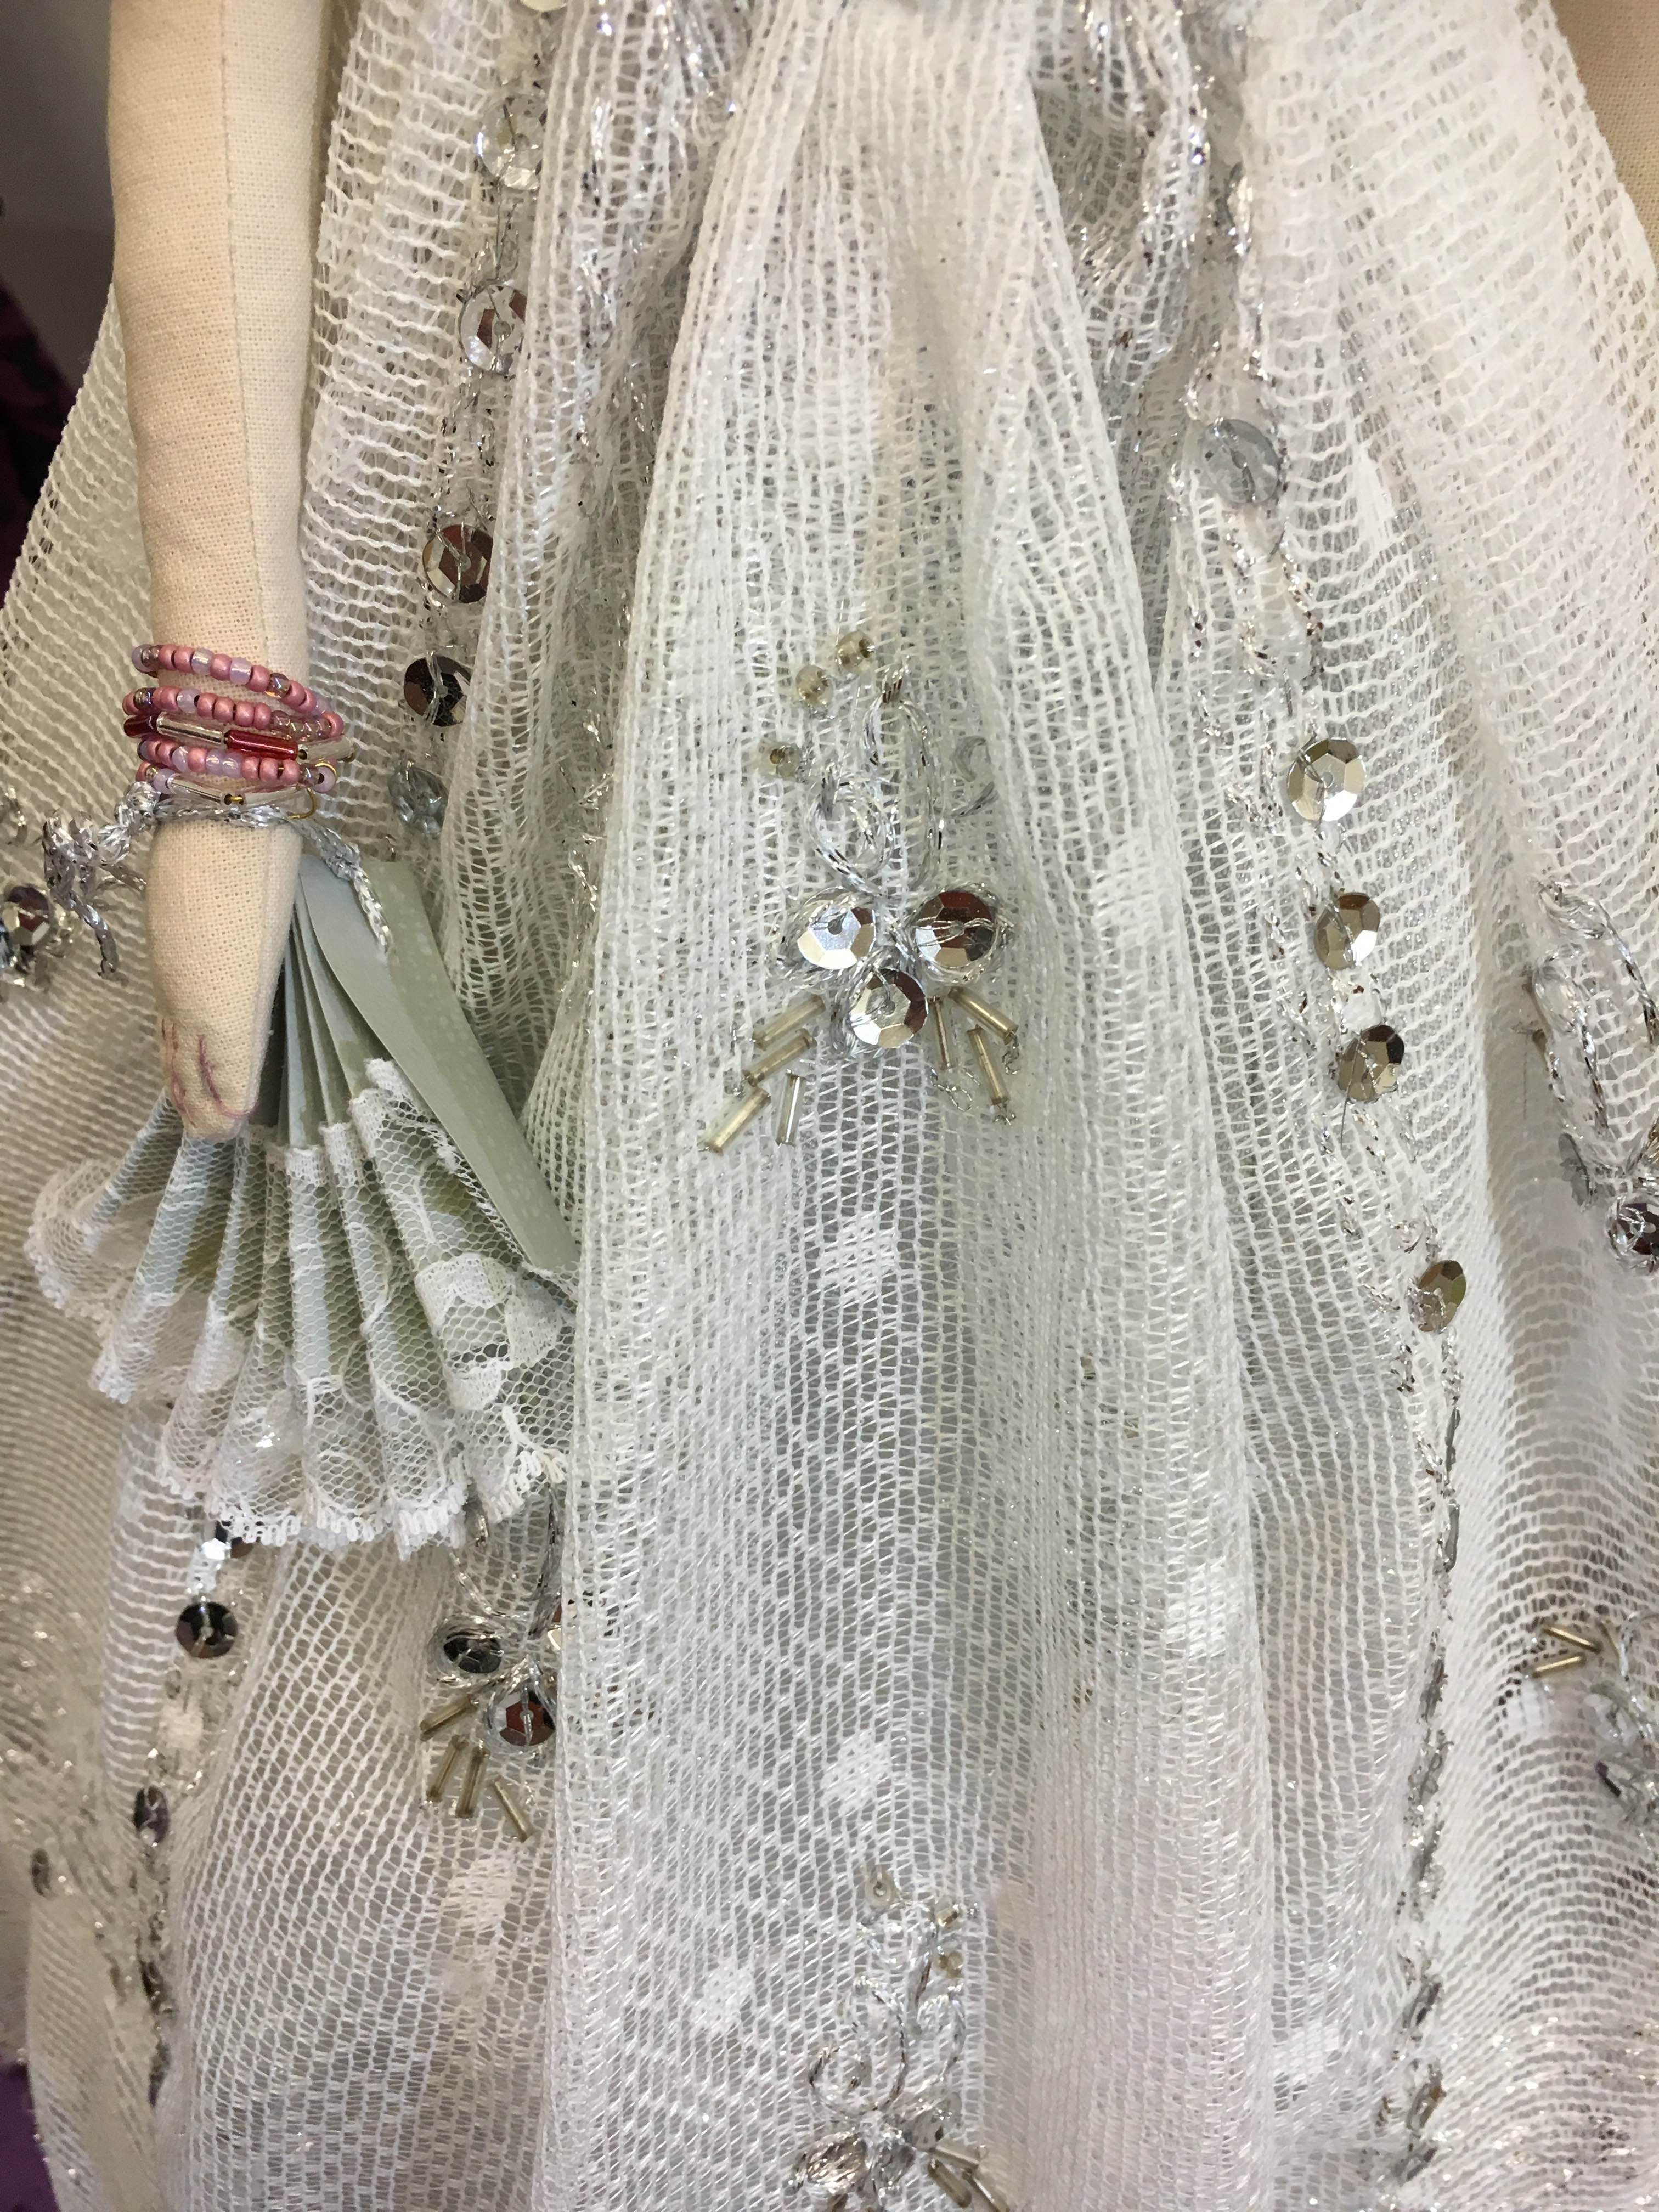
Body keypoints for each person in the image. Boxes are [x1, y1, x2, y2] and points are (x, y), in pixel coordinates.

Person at [1, 3, 1657, 2207]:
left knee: (1287, 1457)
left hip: (1294, 402)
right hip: (581, 423)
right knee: (534, 1542)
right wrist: (230, 720)